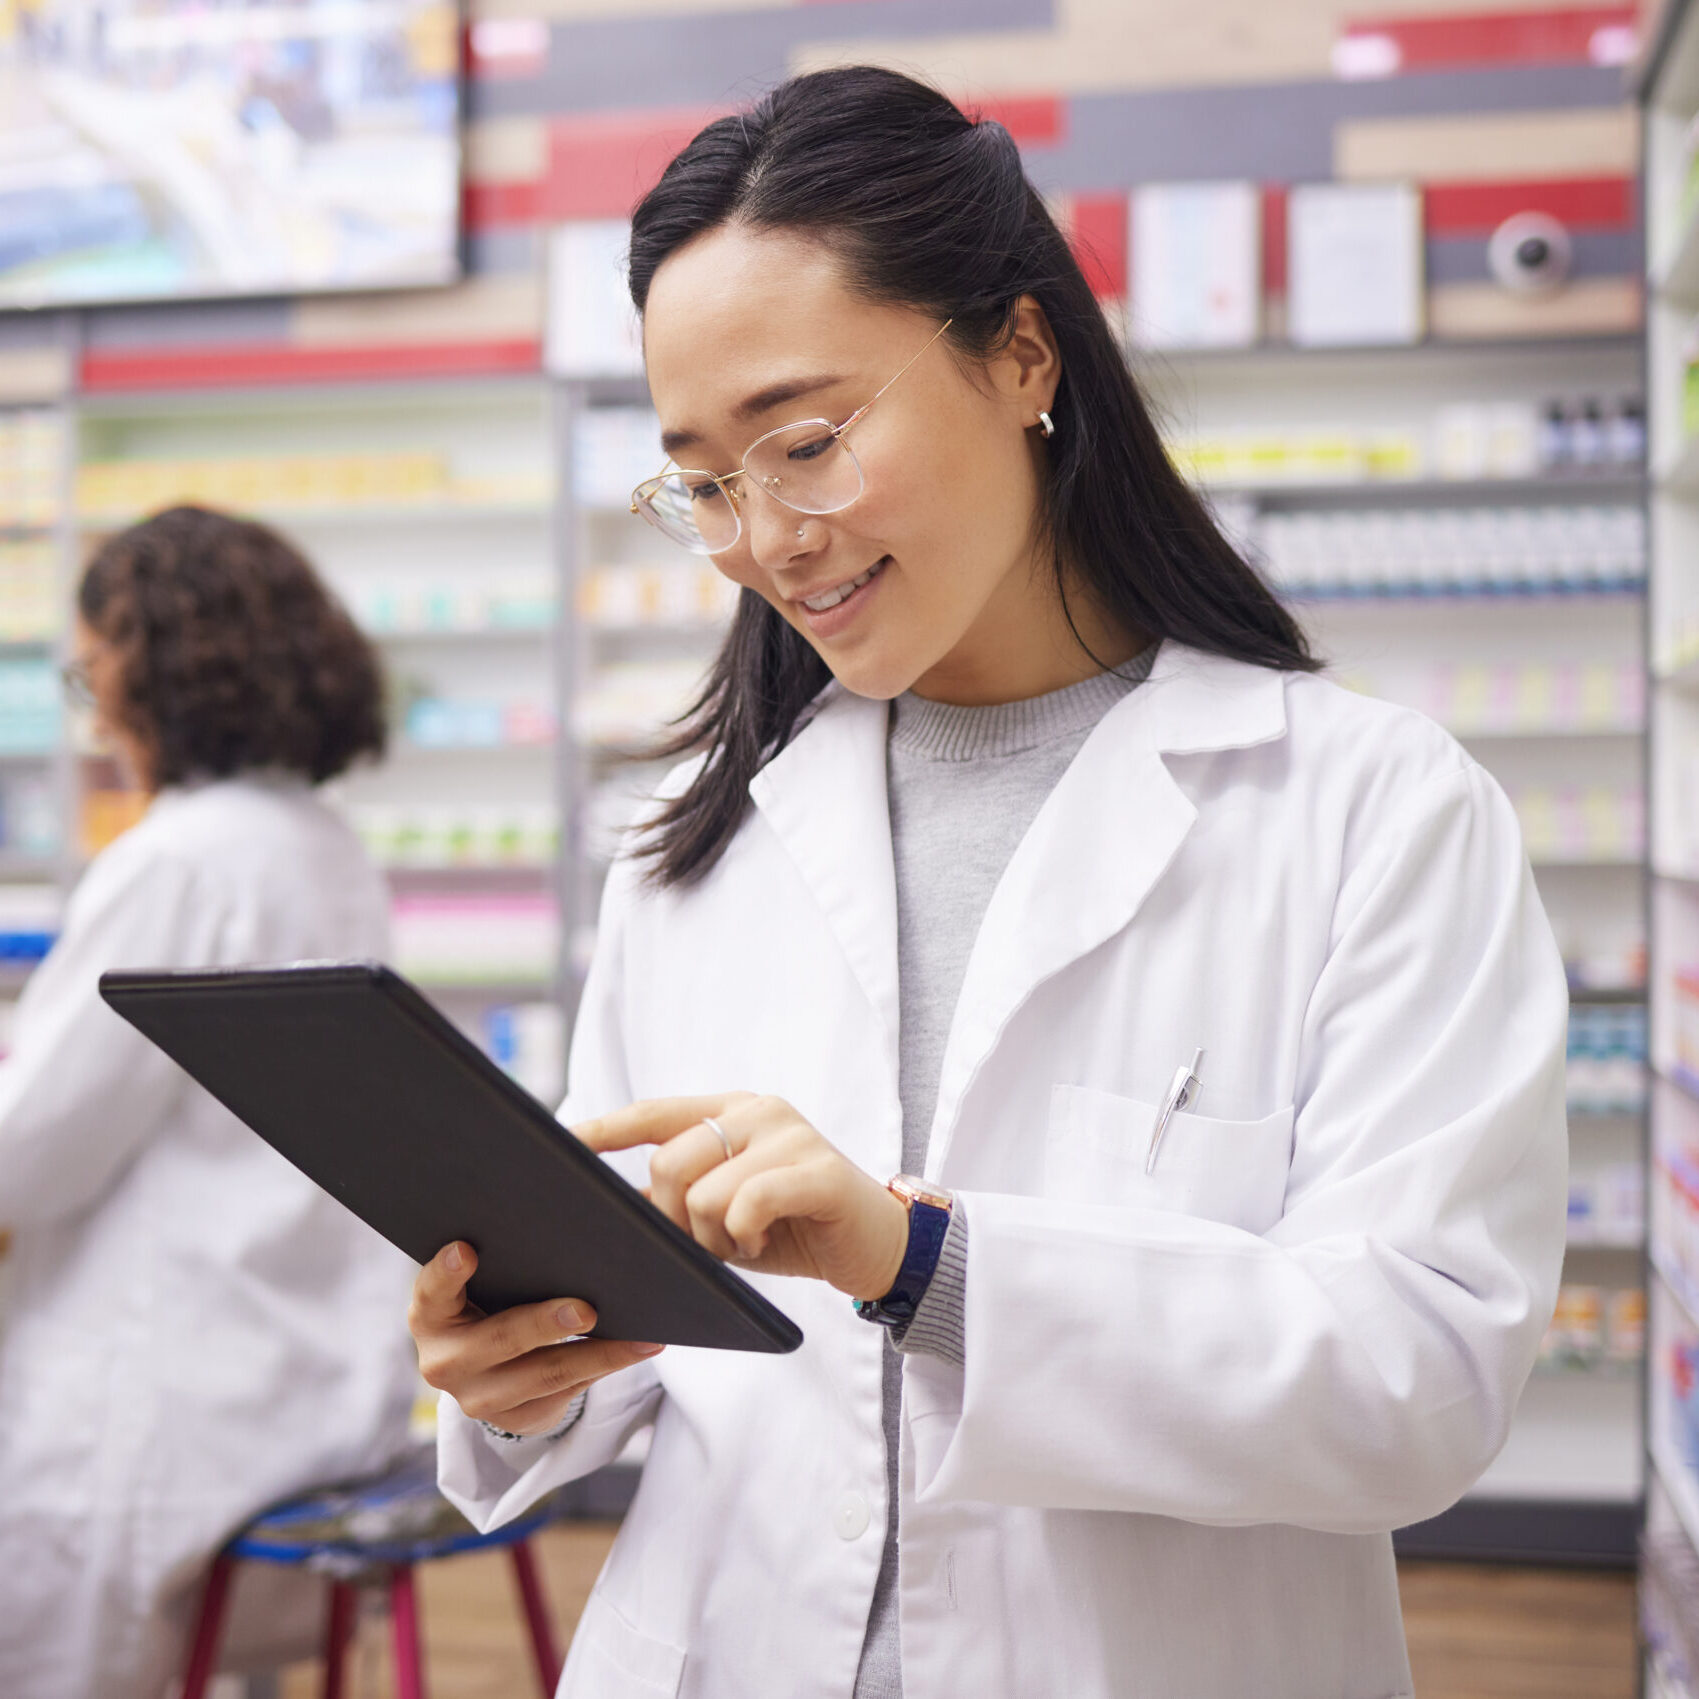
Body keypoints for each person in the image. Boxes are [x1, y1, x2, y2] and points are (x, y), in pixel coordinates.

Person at [414, 68, 1568, 1699]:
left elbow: (1416, 1381)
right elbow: (632, 1365)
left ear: (1017, 352)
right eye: (707, 478)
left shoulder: (1366, 812)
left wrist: (921, 1261)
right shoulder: (698, 840)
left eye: (805, 441)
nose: (764, 536)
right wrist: (512, 1370)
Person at [0, 506, 420, 1699]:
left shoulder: (180, 858)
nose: (97, 707)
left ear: (163, 669)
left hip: (170, 1411)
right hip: (309, 1383)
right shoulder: (318, 841)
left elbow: (29, 1159)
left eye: (94, 670)